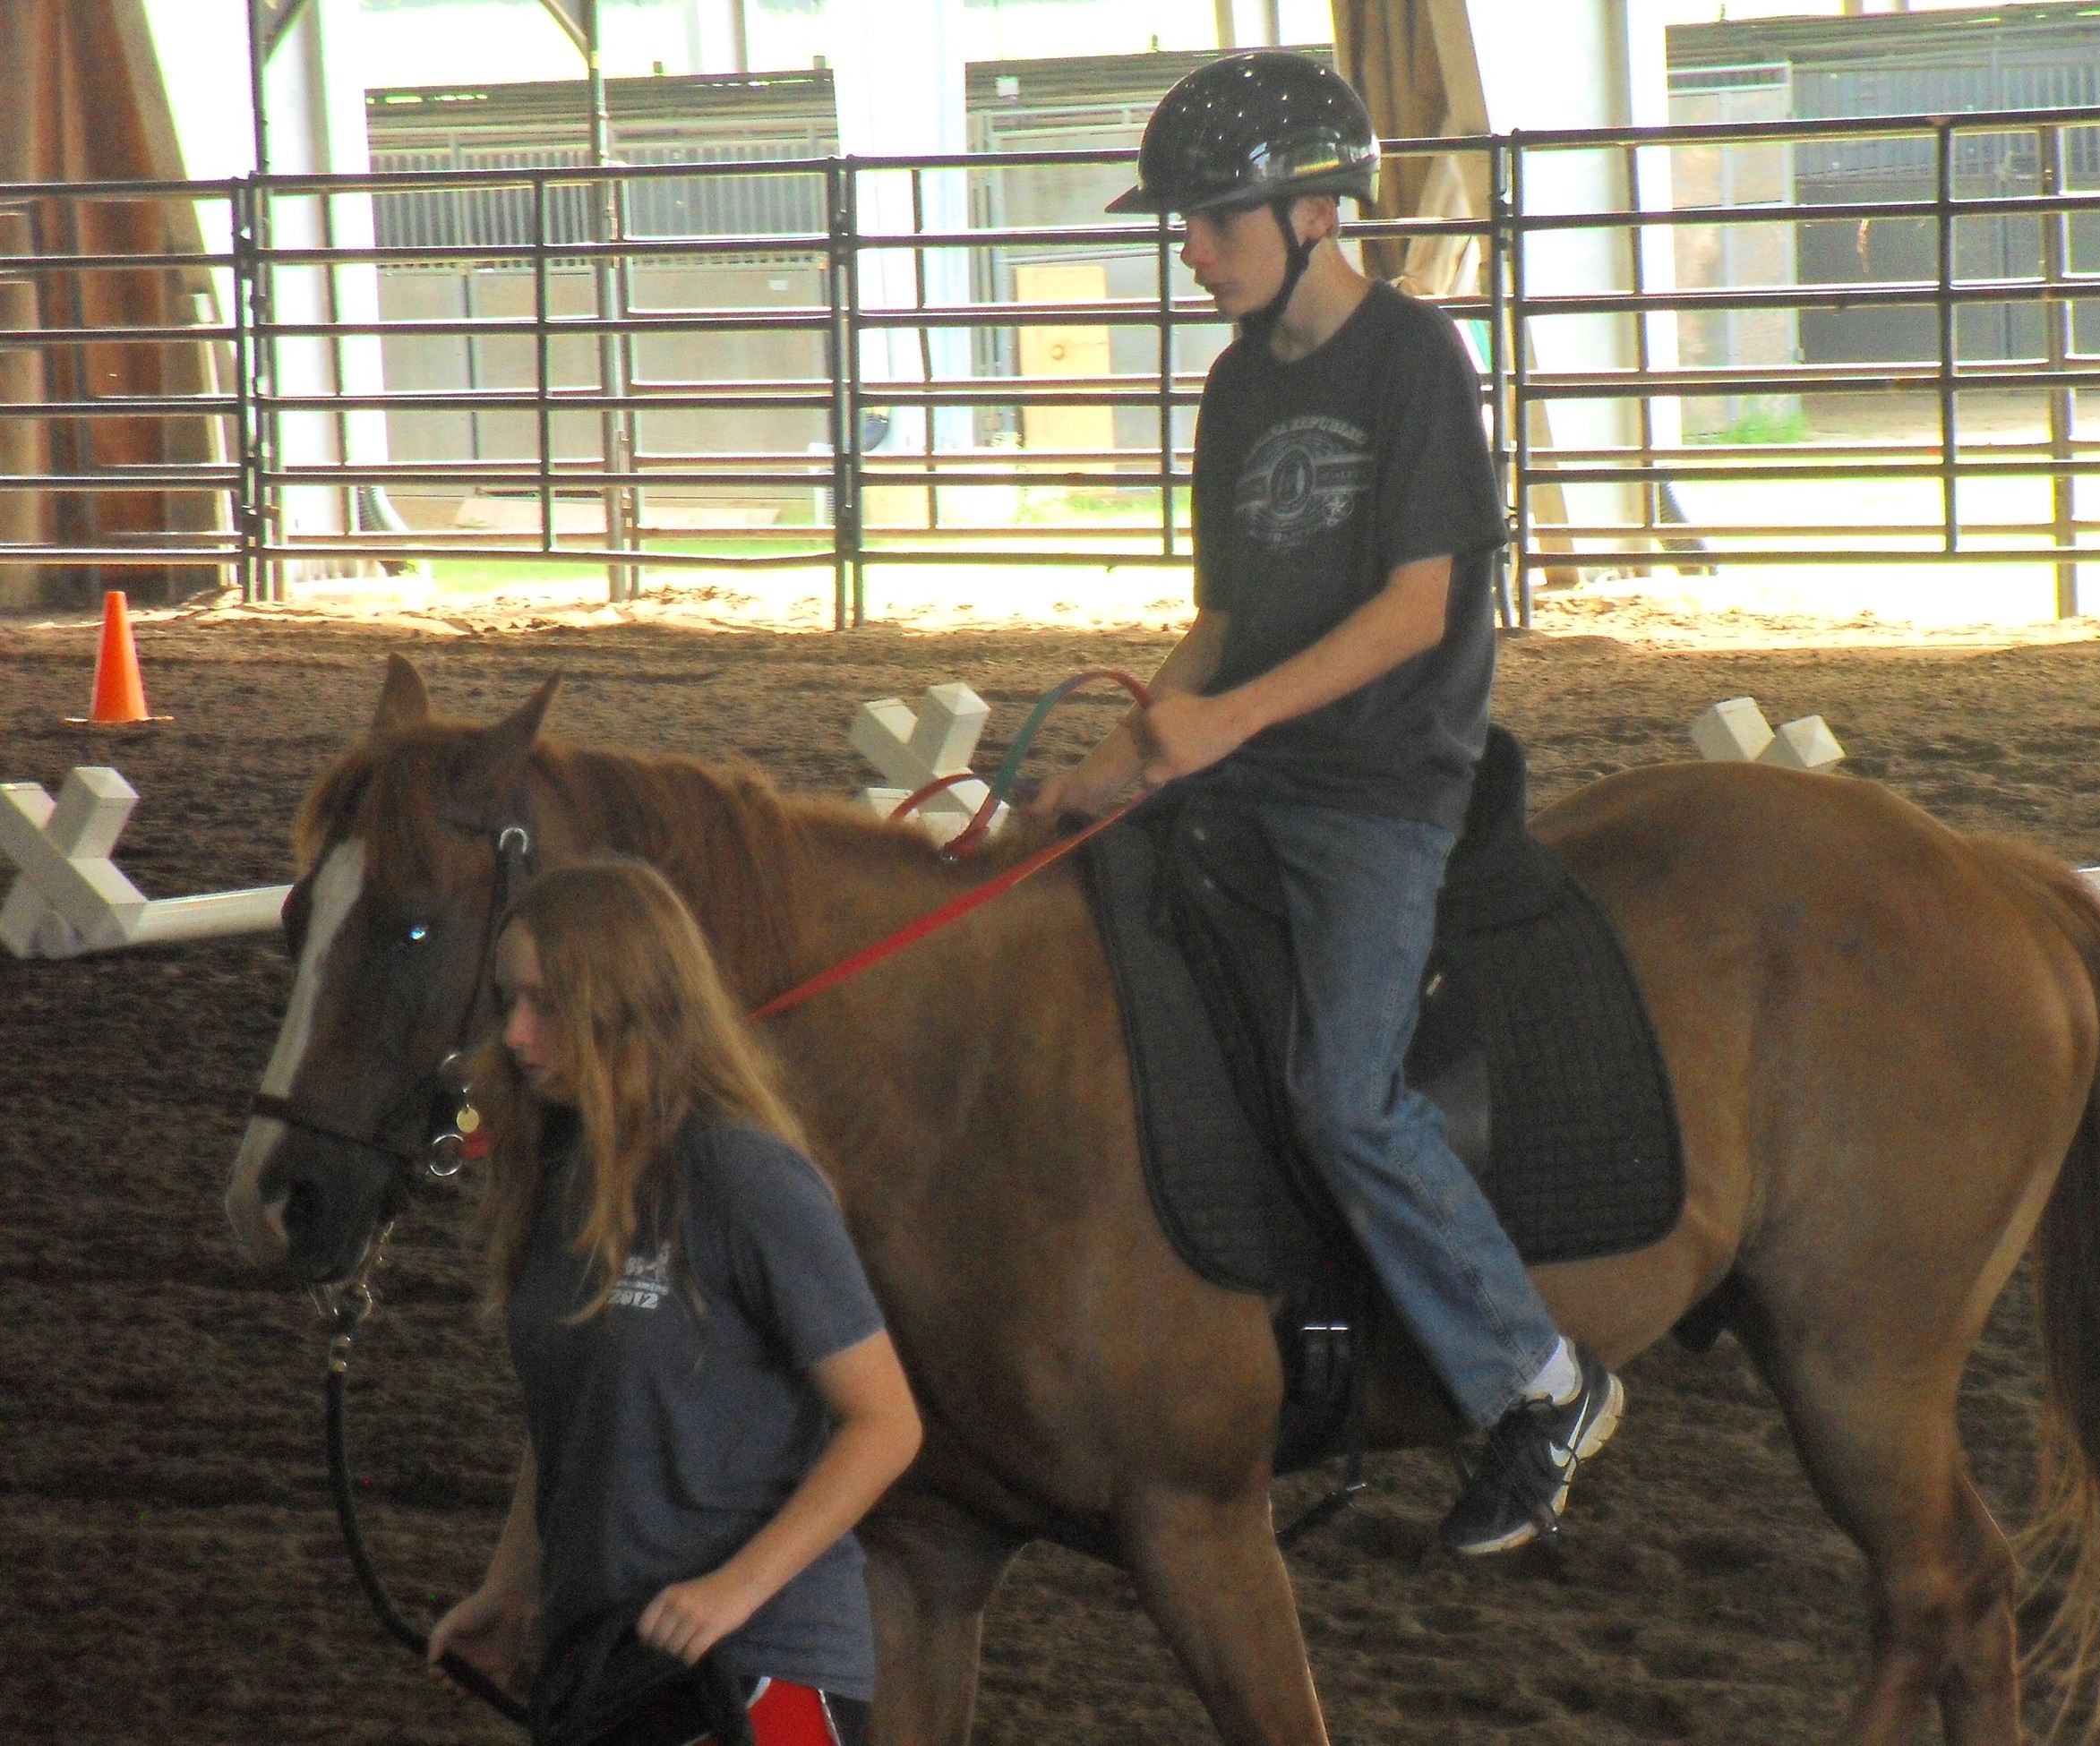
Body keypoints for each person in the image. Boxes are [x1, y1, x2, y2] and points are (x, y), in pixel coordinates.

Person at [1032, 49, 1619, 1557]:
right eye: (1186, 223)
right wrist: (1138, 749)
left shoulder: (1416, 362)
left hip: (1380, 788)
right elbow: (1224, 622)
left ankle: (1540, 1381)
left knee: (1344, 1094)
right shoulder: (1235, 387)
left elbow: (1417, 610)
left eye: (1212, 218)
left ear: (1310, 211)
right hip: (1249, 767)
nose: (1192, 248)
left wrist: (1218, 726)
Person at [425, 858, 921, 1745]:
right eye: (508, 1003)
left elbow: (884, 1424)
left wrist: (735, 1588)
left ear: (627, 1003)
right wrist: (512, 1589)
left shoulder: (744, 1176)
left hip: (760, 1669)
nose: (516, 1035)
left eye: (545, 1006)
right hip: (609, 1661)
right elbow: (572, 1417)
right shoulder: (561, 1177)